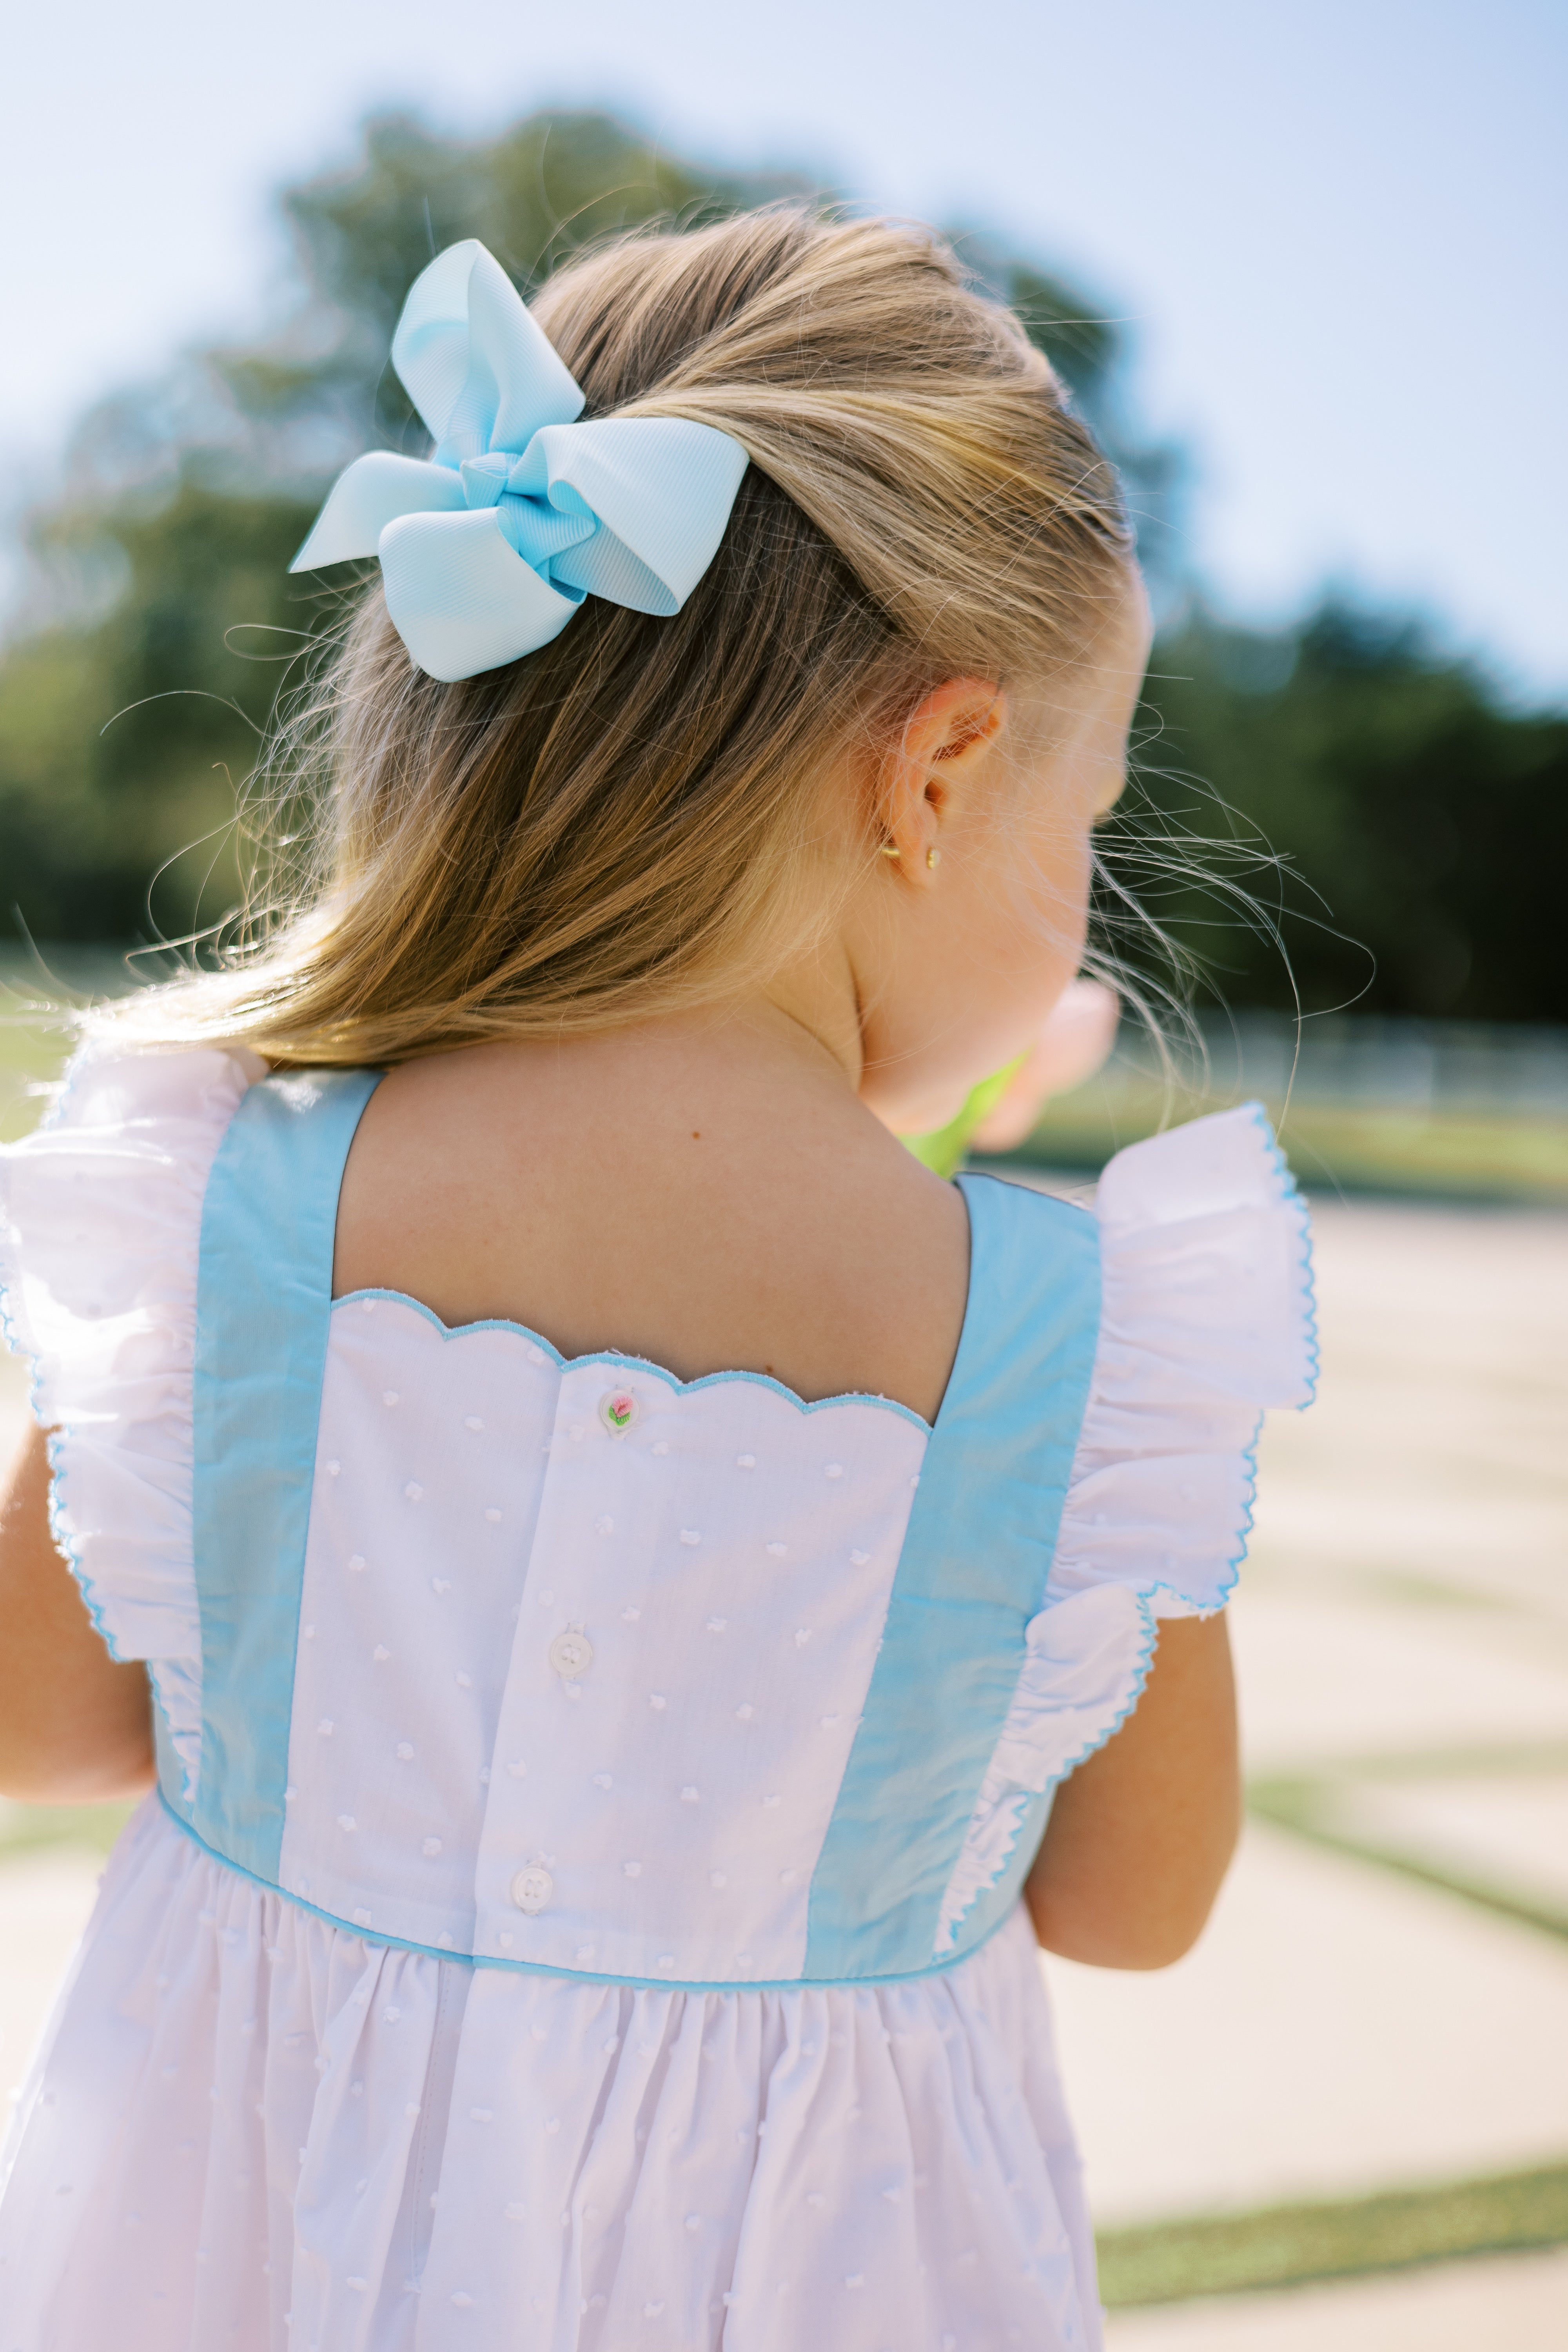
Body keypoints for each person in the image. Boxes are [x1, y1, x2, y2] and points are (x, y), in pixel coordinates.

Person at [0, 212, 1316, 2350]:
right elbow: (1138, 1906)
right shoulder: (1069, 1350)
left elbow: (40, 1715)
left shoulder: (220, 1191)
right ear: (942, 769)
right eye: (1095, 805)